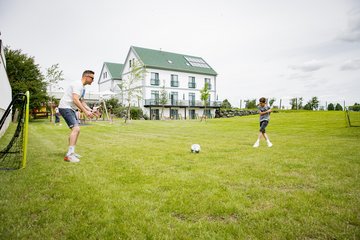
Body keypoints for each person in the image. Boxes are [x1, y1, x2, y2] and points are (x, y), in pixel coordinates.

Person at [58, 70, 95, 162]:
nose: (93, 80)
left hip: (71, 109)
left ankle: (71, 152)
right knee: (76, 129)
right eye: (92, 78)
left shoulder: (82, 88)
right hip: (66, 107)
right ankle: (69, 155)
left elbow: (81, 101)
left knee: (76, 130)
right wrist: (85, 112)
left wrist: (90, 110)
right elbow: (75, 99)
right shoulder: (77, 84)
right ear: (86, 77)